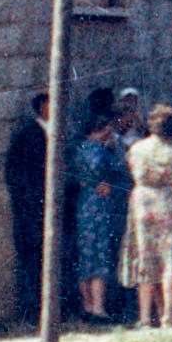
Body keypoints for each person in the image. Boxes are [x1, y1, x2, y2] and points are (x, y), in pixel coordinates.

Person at [119, 103, 172, 328]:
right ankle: (168, 314)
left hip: (143, 204)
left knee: (146, 256)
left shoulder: (136, 148)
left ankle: (145, 316)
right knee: (171, 258)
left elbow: (130, 169)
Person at [69, 105, 130, 322]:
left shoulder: (79, 148)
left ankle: (87, 305)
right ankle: (98, 307)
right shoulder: (97, 150)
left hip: (85, 202)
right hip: (99, 205)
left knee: (86, 255)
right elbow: (102, 166)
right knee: (99, 254)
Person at [5, 92, 50, 327]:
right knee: (32, 258)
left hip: (50, 206)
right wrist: (30, 199)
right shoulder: (28, 134)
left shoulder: (55, 131)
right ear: (42, 107)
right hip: (33, 207)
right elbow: (16, 171)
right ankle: (31, 310)